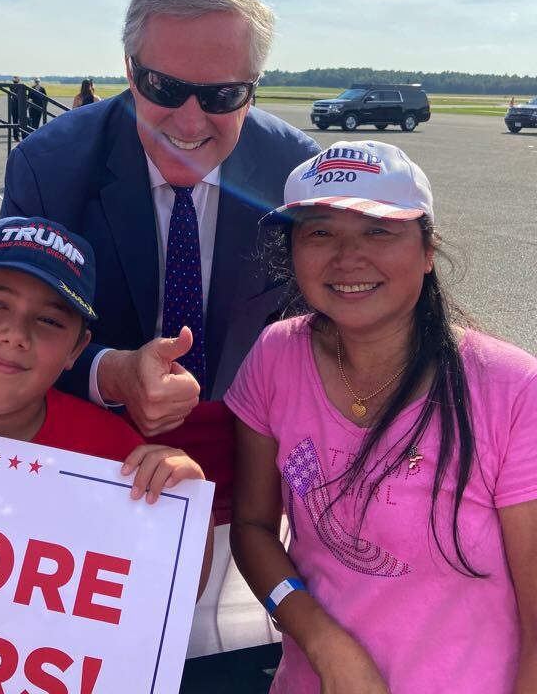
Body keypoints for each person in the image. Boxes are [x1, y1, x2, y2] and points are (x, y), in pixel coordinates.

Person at [226, 140, 537, 694]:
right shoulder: (276, 355)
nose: (348, 258)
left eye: (378, 231)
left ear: (426, 250)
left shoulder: (512, 391)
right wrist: (322, 643)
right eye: (320, 232)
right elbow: (252, 529)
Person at [0, 0, 320, 438]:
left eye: (223, 95)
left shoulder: (294, 174)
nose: (190, 125)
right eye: (165, 88)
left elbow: (324, 322)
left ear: (253, 91)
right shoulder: (49, 167)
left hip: (243, 436)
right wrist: (114, 373)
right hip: (91, 436)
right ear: (131, 72)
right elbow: (6, 329)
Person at [0, 216, 213, 588]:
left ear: (77, 348)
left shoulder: (118, 459)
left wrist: (186, 506)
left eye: (48, 320)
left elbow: (171, 598)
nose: (15, 335)